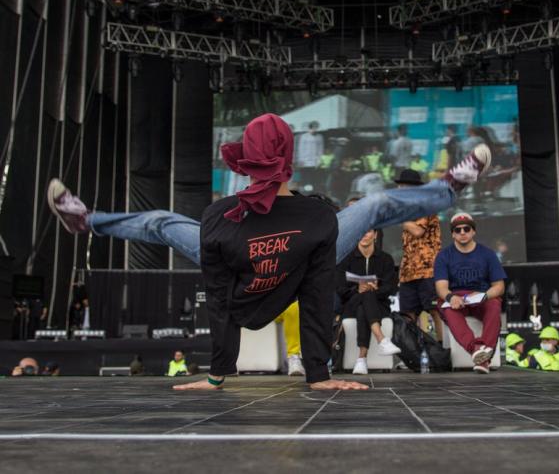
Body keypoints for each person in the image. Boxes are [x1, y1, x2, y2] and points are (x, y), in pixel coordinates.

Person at [47, 114, 493, 391]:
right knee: (164, 221)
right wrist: (221, 371)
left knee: (375, 204)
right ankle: (86, 221)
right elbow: (221, 297)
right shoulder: (225, 218)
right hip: (248, 267)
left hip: (298, 253)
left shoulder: (311, 213)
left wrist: (316, 373)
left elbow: (318, 295)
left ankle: (449, 187)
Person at [434, 212, 505, 374]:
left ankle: (482, 355)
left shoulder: (487, 254)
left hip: (481, 296)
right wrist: (452, 297)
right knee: (450, 310)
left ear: (473, 231)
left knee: (494, 305)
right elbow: (441, 287)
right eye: (458, 230)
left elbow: (499, 286)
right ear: (452, 234)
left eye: (467, 229)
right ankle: (479, 351)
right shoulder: (444, 256)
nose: (462, 233)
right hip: (456, 297)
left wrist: (484, 296)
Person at [337, 229, 401, 375]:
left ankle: (361, 360)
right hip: (351, 303)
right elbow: (340, 289)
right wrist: (357, 289)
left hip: (379, 305)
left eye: (368, 231)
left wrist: (377, 288)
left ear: (375, 235)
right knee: (365, 296)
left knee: (365, 304)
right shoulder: (346, 259)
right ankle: (381, 340)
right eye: (361, 231)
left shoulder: (386, 259)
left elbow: (391, 288)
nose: (363, 235)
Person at [396, 169, 443, 343]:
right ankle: (414, 351)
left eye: (404, 186)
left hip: (428, 269)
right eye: (399, 185)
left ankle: (441, 348)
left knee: (434, 310)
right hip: (409, 271)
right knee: (408, 313)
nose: (400, 189)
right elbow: (409, 244)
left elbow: (417, 230)